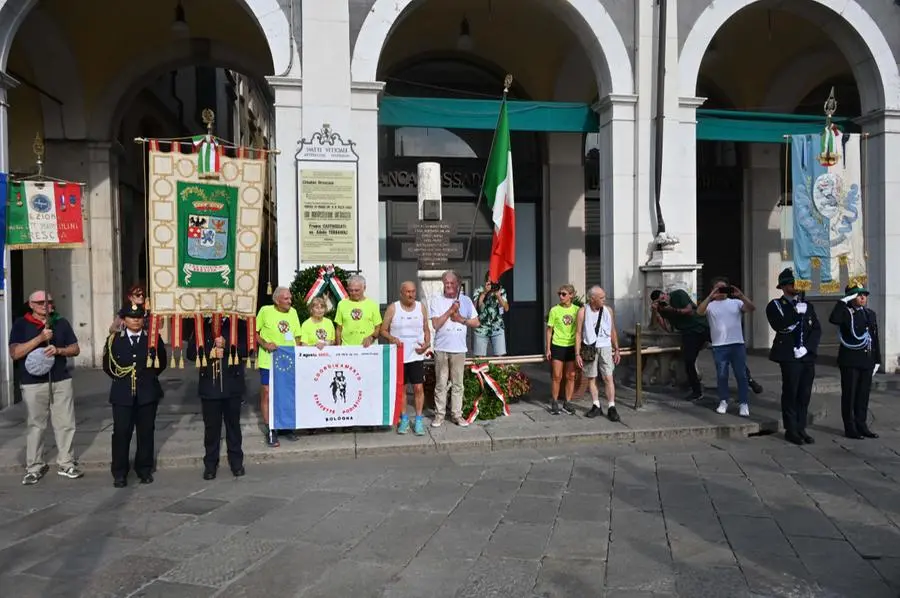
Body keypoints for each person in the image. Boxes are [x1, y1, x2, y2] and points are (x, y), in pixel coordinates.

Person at [9, 290, 83, 485]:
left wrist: (59, 350)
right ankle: (34, 466)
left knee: (66, 423)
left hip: (60, 380)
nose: (45, 305)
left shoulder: (61, 322)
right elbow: (15, 353)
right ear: (31, 305)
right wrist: (40, 339)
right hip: (33, 382)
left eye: (49, 302)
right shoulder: (21, 324)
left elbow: (75, 349)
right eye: (40, 302)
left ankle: (66, 462)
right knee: (36, 425)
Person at [651, 288, 764, 399]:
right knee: (689, 360)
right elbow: (667, 328)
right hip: (689, 333)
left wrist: (673, 310)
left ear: (665, 293)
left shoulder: (678, 294)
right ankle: (696, 390)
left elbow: (689, 310)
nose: (664, 301)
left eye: (663, 298)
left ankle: (749, 380)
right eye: (660, 301)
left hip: (703, 326)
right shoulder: (662, 309)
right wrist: (656, 312)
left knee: (730, 353)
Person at [102, 303, 167, 488]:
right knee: (121, 433)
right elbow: (108, 366)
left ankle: (144, 469)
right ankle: (120, 472)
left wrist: (146, 378)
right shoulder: (114, 340)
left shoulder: (153, 339)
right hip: (122, 394)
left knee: (146, 433)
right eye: (131, 317)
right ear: (124, 320)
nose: (136, 320)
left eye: (139, 317)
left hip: (147, 393)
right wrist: (123, 379)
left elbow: (161, 363)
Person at [186, 315, 247, 480]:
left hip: (232, 383)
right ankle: (210, 464)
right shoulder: (202, 324)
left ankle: (236, 462)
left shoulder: (238, 323)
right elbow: (191, 353)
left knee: (233, 426)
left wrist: (227, 347)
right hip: (209, 385)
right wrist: (209, 351)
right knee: (211, 428)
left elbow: (247, 349)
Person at [765, 268, 821, 445]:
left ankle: (801, 427)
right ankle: (791, 429)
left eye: (797, 283)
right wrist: (797, 313)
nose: (795, 286)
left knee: (804, 393)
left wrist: (808, 348)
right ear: (782, 286)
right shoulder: (775, 305)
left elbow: (816, 329)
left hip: (806, 356)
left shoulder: (807, 305)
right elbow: (779, 325)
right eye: (791, 283)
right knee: (791, 392)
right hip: (789, 354)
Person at [829, 283, 881, 440]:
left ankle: (862, 424)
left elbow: (874, 337)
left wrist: (877, 359)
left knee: (863, 395)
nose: (863, 297)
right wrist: (843, 300)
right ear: (851, 297)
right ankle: (850, 427)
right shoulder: (845, 313)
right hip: (850, 360)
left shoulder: (870, 314)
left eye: (864, 294)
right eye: (858, 295)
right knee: (850, 395)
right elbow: (834, 319)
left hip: (866, 360)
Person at [697, 278, 756, 417]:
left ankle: (743, 403)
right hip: (719, 346)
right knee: (722, 375)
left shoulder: (736, 302)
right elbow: (699, 312)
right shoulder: (710, 305)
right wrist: (710, 296)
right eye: (718, 288)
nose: (721, 291)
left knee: (741, 375)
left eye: (723, 288)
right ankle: (723, 400)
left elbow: (752, 308)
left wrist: (741, 295)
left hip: (737, 344)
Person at [429, 270, 479, 427]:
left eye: (451, 283)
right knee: (441, 383)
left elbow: (476, 323)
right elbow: (436, 324)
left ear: (458, 284)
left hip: (459, 348)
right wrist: (450, 311)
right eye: (446, 283)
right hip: (442, 347)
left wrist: (460, 319)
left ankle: (457, 415)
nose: (448, 286)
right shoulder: (436, 300)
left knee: (458, 384)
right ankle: (439, 415)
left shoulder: (466, 300)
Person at [381, 281, 431, 436]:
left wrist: (427, 344)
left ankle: (418, 419)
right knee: (401, 388)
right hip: (399, 354)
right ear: (401, 293)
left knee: (418, 388)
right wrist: (392, 338)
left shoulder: (420, 307)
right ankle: (403, 419)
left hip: (416, 354)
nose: (411, 295)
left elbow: (426, 329)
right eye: (408, 292)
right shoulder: (393, 308)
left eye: (413, 291)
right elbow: (383, 330)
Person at [255, 286, 303, 447]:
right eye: (286, 299)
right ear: (276, 300)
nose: (290, 301)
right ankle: (270, 429)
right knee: (267, 393)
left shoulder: (293, 313)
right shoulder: (265, 311)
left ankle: (285, 426)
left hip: (287, 361)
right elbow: (253, 333)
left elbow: (297, 337)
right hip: (268, 360)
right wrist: (264, 343)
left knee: (286, 393)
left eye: (290, 298)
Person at [575, 286, 621, 422]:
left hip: (605, 346)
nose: (604, 300)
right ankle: (596, 404)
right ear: (592, 299)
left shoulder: (608, 311)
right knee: (591, 377)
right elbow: (578, 333)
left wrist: (617, 349)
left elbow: (613, 330)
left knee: (608, 377)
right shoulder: (583, 311)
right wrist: (577, 354)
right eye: (601, 298)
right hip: (590, 347)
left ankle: (611, 406)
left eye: (604, 297)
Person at [546, 284, 580, 415]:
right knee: (557, 376)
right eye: (559, 294)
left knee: (571, 376)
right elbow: (549, 330)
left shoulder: (577, 310)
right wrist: (548, 348)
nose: (561, 296)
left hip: (571, 345)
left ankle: (567, 402)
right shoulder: (554, 310)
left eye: (564, 294)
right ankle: (554, 401)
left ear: (571, 295)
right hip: (558, 344)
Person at [335, 275, 382, 347]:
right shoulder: (341, 304)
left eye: (357, 290)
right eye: (351, 290)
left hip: (368, 349)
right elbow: (338, 329)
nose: (353, 293)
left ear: (364, 288)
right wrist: (338, 348)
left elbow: (378, 327)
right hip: (347, 349)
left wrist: (371, 338)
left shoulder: (372, 304)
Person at [473, 273, 509, 357]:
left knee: (500, 357)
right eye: (490, 281)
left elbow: (506, 308)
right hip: (481, 327)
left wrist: (499, 296)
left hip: (497, 326)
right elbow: (474, 308)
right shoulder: (479, 290)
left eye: (494, 281)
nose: (492, 284)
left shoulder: (501, 290)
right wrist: (484, 293)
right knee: (479, 358)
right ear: (486, 281)